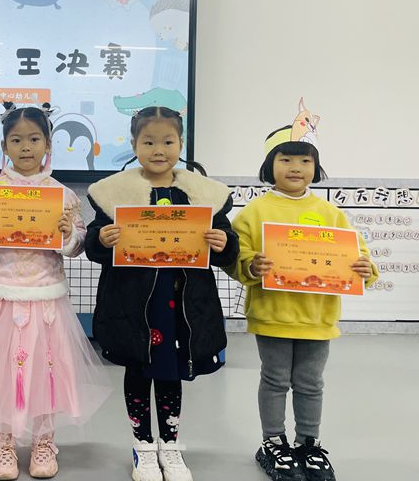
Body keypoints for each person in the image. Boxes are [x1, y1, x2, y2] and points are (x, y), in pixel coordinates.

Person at [0, 102, 112, 480]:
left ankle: (44, 440)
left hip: (46, 298)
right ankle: (3, 441)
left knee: (46, 372)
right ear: (4, 146)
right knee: (0, 374)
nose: (26, 147)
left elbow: (76, 245)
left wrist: (69, 235)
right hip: (0, 298)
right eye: (16, 140)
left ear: (48, 144)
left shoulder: (63, 195)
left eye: (34, 139)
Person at [85, 106, 239, 481]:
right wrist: (102, 239)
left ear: (181, 144)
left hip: (181, 306)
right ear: (134, 145)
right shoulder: (114, 194)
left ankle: (170, 445)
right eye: (148, 142)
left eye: (168, 142)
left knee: (171, 373)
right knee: (139, 371)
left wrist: (223, 242)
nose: (159, 150)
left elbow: (227, 247)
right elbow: (93, 246)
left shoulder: (202, 194)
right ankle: (142, 447)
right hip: (136, 306)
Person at [227, 116, 377, 481]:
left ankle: (309, 443)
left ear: (316, 167)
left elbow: (359, 255)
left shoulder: (331, 214)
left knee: (311, 383)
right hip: (273, 314)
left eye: (305, 160)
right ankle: (273, 442)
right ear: (269, 166)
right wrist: (251, 265)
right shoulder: (254, 212)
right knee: (275, 379)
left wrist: (364, 268)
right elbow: (235, 256)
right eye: (286, 159)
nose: (296, 167)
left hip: (317, 317)